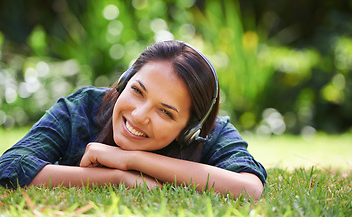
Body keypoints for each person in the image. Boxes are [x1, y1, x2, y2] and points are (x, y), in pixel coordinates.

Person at [0, 40, 266, 199]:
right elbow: (10, 166)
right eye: (137, 91)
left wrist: (132, 160)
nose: (139, 115)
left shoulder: (213, 133)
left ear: (189, 128)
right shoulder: (81, 108)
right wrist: (118, 178)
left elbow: (249, 188)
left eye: (165, 111)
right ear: (124, 82)